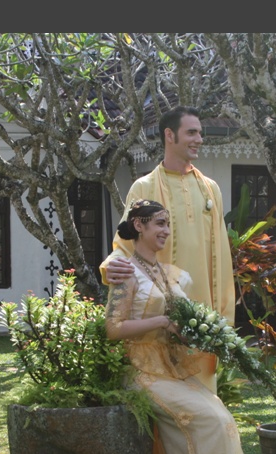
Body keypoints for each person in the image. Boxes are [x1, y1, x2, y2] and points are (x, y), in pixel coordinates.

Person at [105, 199, 265, 454]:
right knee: (206, 420)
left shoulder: (170, 273)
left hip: (171, 367)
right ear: (139, 226)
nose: (165, 231)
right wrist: (164, 320)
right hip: (140, 370)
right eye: (158, 224)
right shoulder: (124, 272)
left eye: (167, 224)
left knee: (221, 417)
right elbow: (113, 329)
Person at [100, 106, 235, 394]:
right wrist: (110, 266)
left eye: (200, 132)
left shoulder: (211, 189)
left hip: (203, 312)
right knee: (169, 403)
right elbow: (124, 242)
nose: (199, 138)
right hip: (163, 316)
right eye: (192, 132)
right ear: (170, 135)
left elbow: (222, 252)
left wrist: (224, 314)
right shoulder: (144, 186)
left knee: (204, 397)